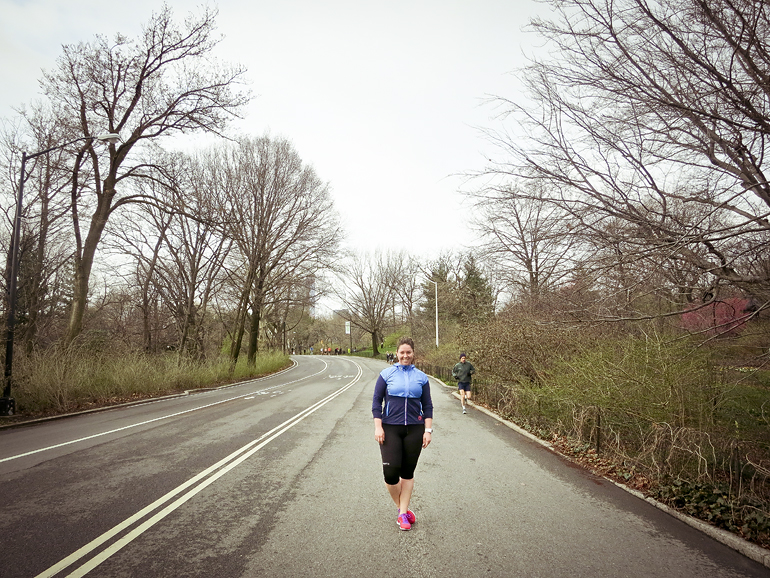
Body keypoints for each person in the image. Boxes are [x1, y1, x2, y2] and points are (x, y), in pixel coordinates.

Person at [372, 336, 433, 531]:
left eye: (408, 352)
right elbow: (376, 403)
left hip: (415, 429)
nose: (405, 355)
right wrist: (378, 427)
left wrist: (428, 430)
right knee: (390, 474)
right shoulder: (386, 374)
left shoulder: (422, 377)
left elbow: (428, 406)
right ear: (397, 354)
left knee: (407, 473)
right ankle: (402, 508)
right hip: (390, 428)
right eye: (402, 352)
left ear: (413, 353)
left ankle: (402, 514)